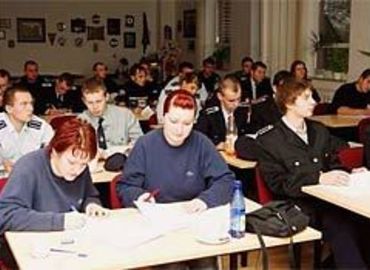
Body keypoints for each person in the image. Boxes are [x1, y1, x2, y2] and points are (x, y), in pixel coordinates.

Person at [250, 78, 370, 268]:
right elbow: (278, 183)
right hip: (298, 204)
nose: (314, 101)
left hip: (331, 198)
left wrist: (350, 171)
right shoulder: (269, 140)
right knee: (341, 224)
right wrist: (319, 177)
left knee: (363, 221)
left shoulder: (319, 130)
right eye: (306, 98)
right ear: (289, 103)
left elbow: (333, 162)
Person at [0, 118, 108, 266]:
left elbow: (89, 194)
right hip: (32, 249)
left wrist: (92, 205)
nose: (77, 170)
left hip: (70, 245)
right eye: (71, 162)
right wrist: (60, 221)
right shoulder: (28, 168)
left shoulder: (79, 166)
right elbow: (5, 215)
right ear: (55, 151)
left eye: (84, 164)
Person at [117, 89, 233, 209]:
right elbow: (126, 186)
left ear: (194, 122)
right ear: (163, 117)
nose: (179, 130)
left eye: (187, 123)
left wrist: (204, 201)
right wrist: (140, 196)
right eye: (174, 121)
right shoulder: (145, 144)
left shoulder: (202, 144)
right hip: (155, 216)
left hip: (193, 216)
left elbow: (226, 180)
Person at [79, 78, 143, 155]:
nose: (95, 106)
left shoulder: (125, 115)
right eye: (90, 103)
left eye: (99, 101)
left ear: (107, 97)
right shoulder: (80, 121)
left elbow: (139, 143)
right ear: (84, 101)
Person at [0, 86, 54, 173]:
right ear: (9, 109)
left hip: (32, 175)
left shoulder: (41, 126)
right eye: (24, 104)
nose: (31, 109)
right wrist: (3, 162)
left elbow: (54, 151)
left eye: (31, 103)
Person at [196, 75, 252, 148]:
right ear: (220, 96)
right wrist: (216, 144)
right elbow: (199, 138)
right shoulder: (209, 115)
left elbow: (249, 133)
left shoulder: (243, 110)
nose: (236, 104)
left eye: (239, 99)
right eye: (231, 100)